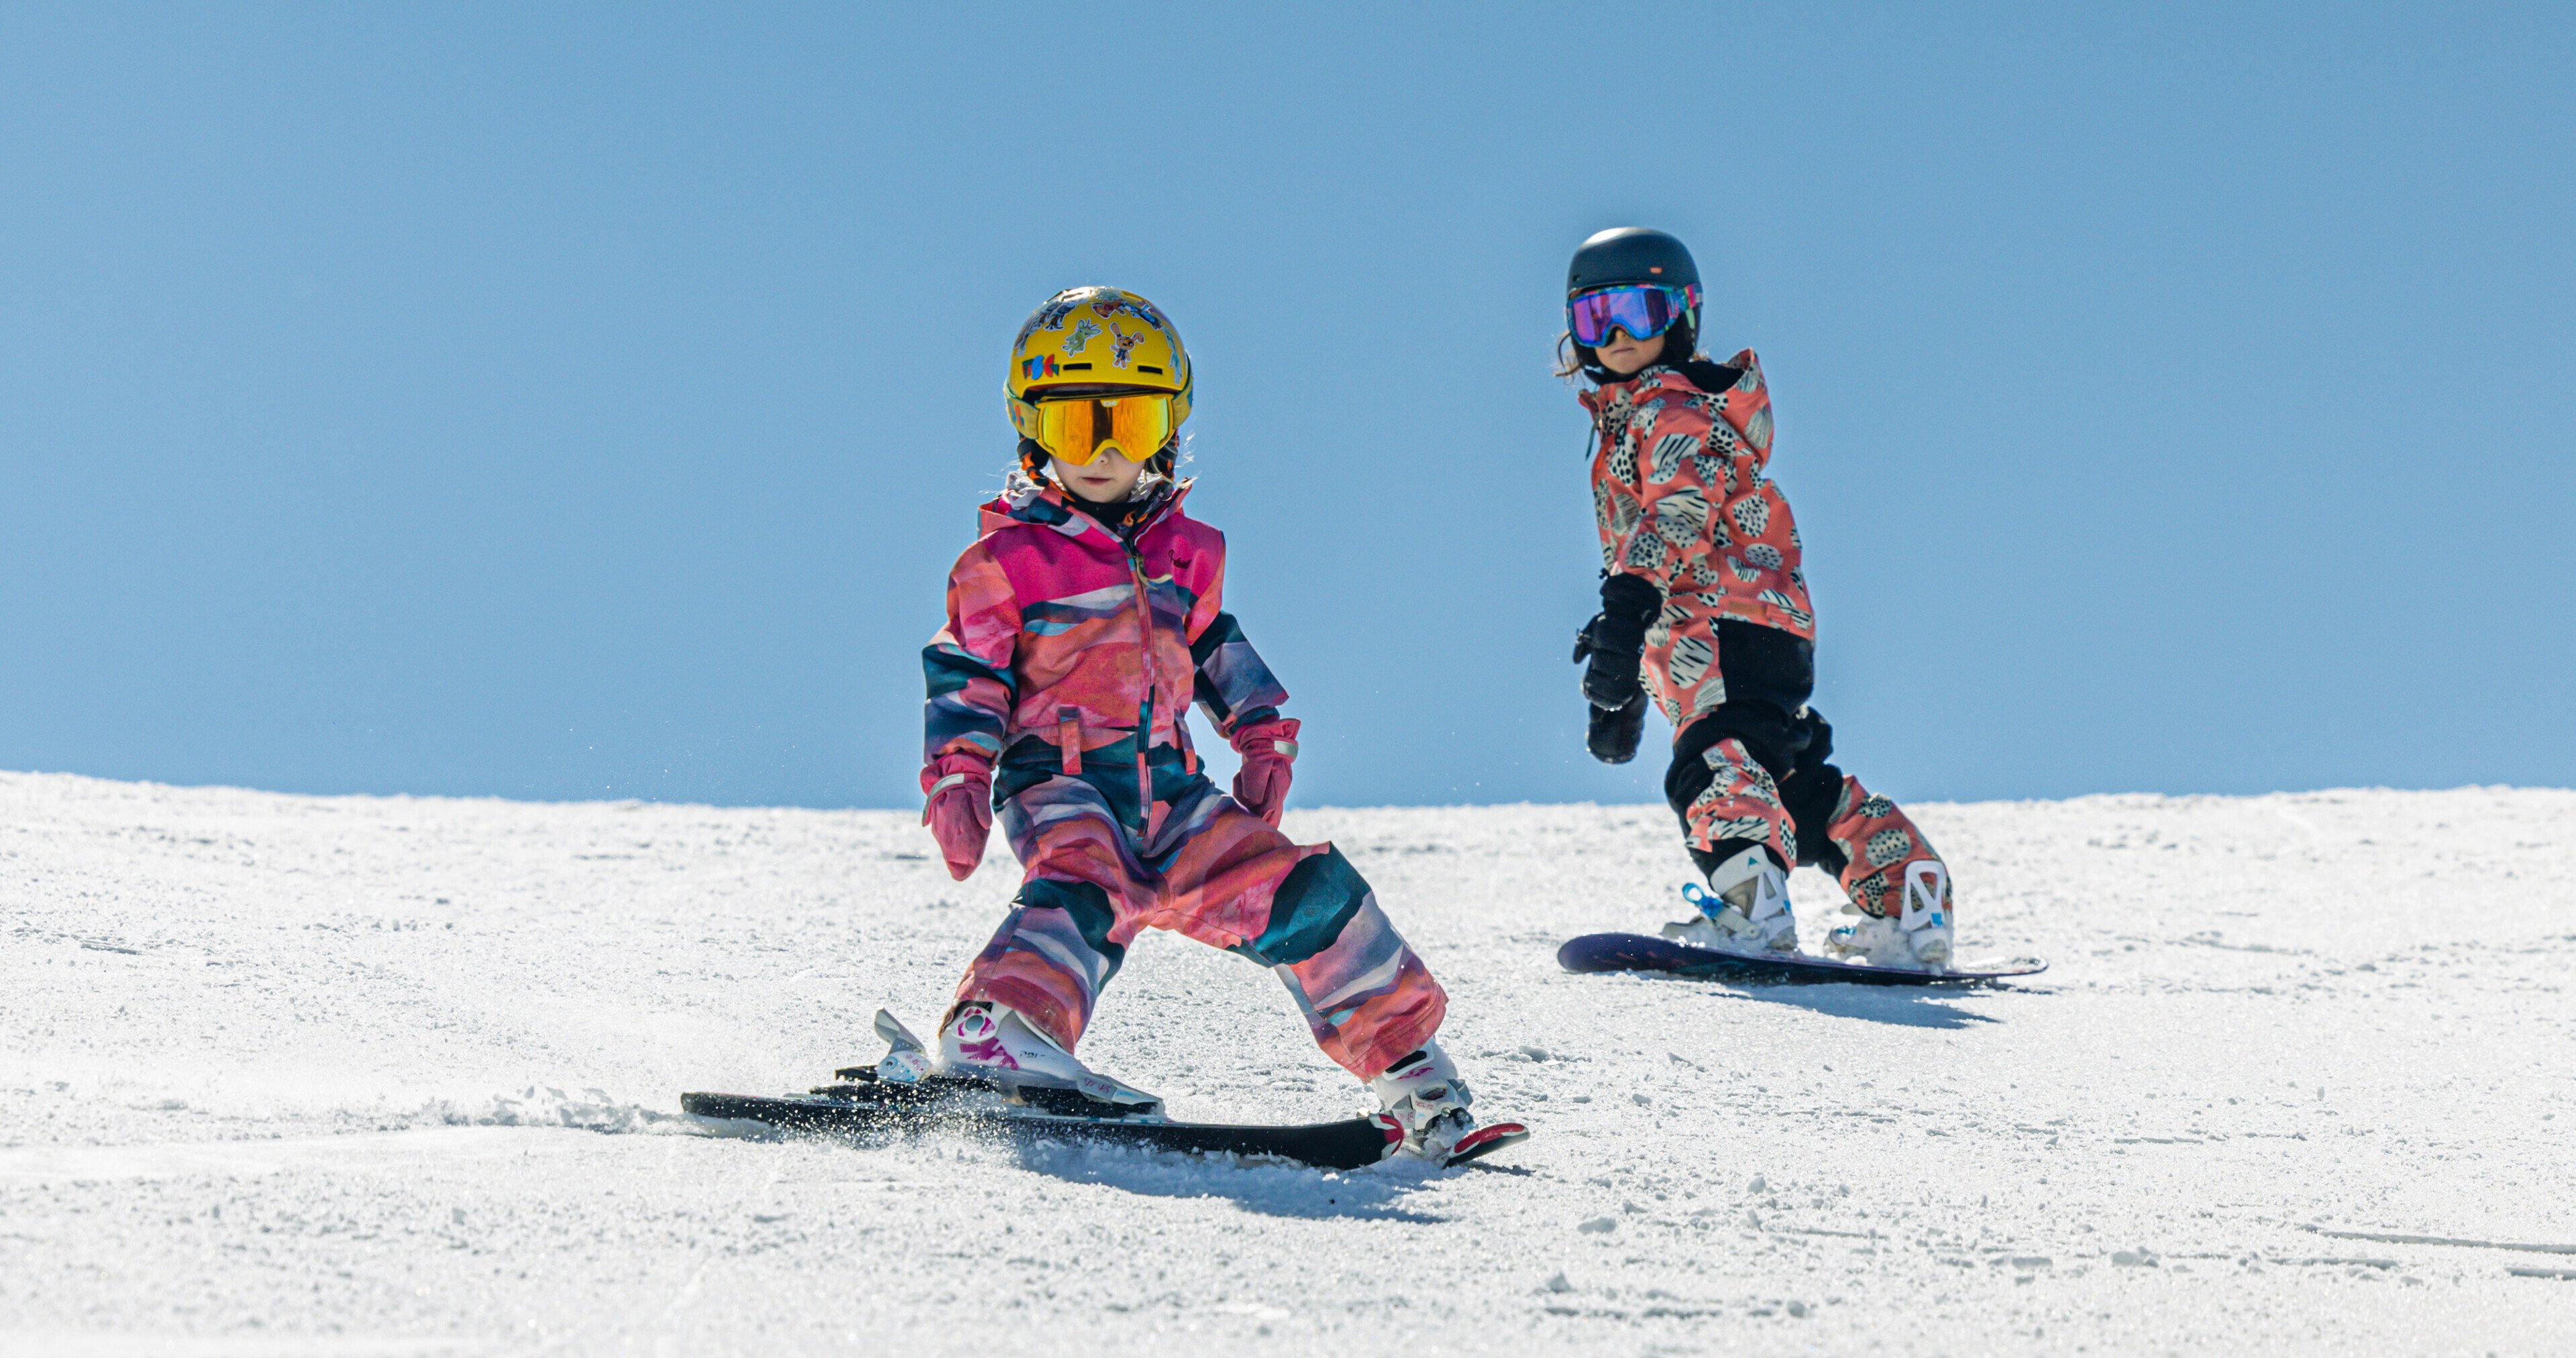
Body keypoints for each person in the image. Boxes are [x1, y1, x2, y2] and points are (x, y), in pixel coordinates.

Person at [918, 286, 1501, 1157]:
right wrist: (960, 770)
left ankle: (1409, 1062)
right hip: (1061, 773)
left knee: (1304, 893)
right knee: (1089, 878)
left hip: (1170, 787)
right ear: (1034, 431)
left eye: (1134, 422)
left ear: (1171, 429)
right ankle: (997, 1027)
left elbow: (1215, 647)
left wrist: (1262, 733)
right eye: (1080, 428)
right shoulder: (1007, 560)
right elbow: (968, 670)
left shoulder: (1188, 555)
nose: (1107, 451)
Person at [1563, 229, 1957, 970]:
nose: (1617, 335)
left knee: (1714, 762)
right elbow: (1658, 542)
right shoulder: (1668, 414)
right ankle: (1909, 895)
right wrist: (1630, 681)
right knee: (1790, 779)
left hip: (1716, 625)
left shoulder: (1667, 410)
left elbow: (1676, 517)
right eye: (1595, 320)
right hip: (1757, 624)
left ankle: (1752, 910)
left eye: (1639, 314)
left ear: (1681, 317)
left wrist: (1625, 613)